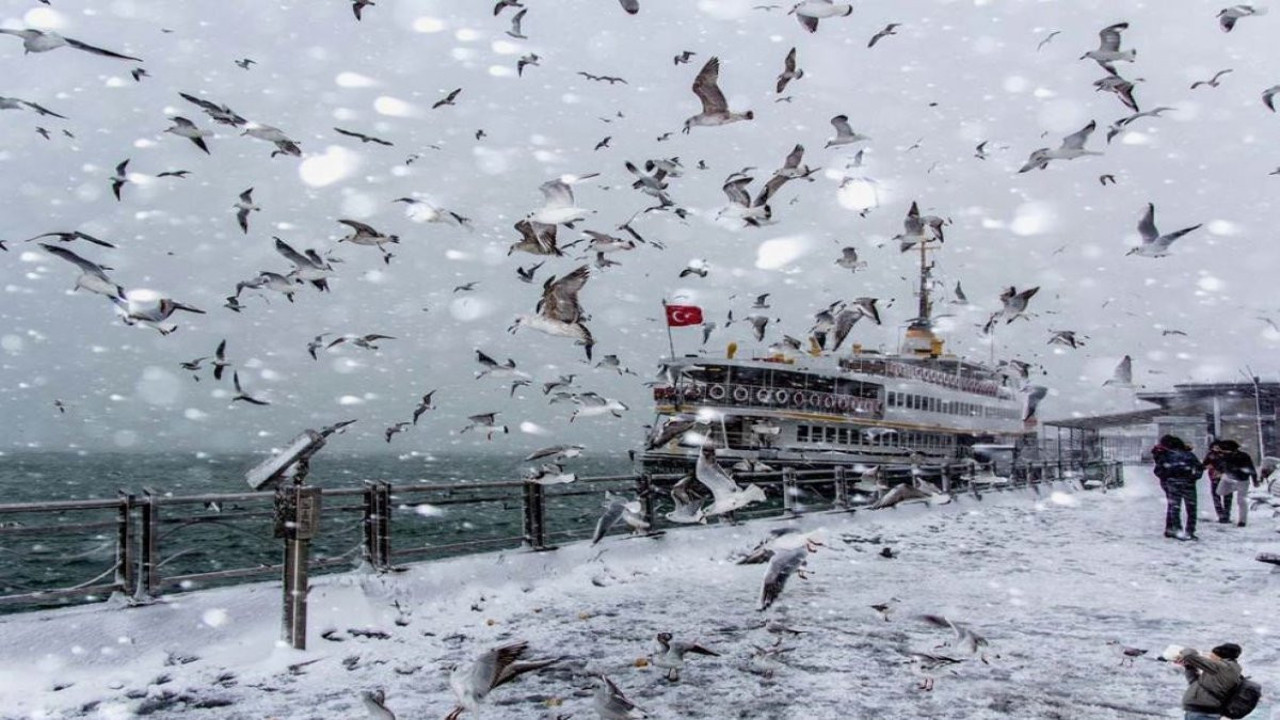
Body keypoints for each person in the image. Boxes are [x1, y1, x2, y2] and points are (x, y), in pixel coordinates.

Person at [1151, 434, 1204, 540]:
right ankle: (1190, 531)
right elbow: (1199, 467)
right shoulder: (1189, 455)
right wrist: (1194, 477)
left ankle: (1176, 529)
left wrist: (1166, 478)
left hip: (1172, 483)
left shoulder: (1165, 455)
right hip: (1189, 483)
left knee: (1174, 507)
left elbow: (1158, 470)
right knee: (1191, 508)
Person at [1174, 643, 1243, 720]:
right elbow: (1196, 684)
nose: (1210, 657)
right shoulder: (1220, 669)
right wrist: (1189, 667)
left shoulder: (1225, 667)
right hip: (1196, 712)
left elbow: (1189, 655)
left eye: (1212, 655)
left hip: (1205, 714)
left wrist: (1184, 651)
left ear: (1220, 656)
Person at [1203, 439, 1258, 527]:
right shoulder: (1224, 456)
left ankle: (1242, 521)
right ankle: (1234, 488)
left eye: (1224, 450)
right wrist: (1218, 471)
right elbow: (1221, 464)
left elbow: (1251, 468)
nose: (1222, 452)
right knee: (1218, 492)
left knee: (1241, 501)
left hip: (1242, 480)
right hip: (1228, 478)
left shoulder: (1243, 456)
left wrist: (1255, 480)